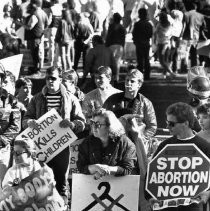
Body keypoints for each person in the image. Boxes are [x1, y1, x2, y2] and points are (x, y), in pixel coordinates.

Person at [22, 66, 86, 206]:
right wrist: (29, 122)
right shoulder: (37, 98)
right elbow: (25, 120)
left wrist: (72, 125)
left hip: (62, 147)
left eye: (54, 78)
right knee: (40, 182)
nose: (50, 81)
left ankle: (62, 207)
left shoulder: (70, 98)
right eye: (47, 78)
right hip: (41, 148)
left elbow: (82, 122)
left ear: (60, 79)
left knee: (61, 181)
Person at [146, 102, 210, 210]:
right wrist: (150, 197)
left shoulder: (204, 147)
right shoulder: (164, 146)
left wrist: (208, 193)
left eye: (171, 124)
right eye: (167, 122)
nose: (167, 126)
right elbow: (151, 175)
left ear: (185, 123)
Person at [77, 109, 138, 180]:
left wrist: (108, 169)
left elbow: (128, 169)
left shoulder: (126, 144)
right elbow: (81, 167)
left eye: (98, 125)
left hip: (119, 187)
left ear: (110, 126)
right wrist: (95, 167)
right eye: (92, 123)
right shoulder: (87, 142)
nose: (93, 127)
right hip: (91, 186)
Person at [103, 68, 157, 141]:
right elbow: (103, 118)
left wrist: (141, 139)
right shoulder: (113, 99)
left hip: (136, 141)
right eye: (127, 80)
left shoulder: (145, 102)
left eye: (132, 81)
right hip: (115, 139)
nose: (128, 83)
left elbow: (152, 126)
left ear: (139, 84)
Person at [23, 0, 49, 75]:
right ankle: (37, 69)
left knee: (33, 54)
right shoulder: (44, 13)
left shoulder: (35, 14)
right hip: (39, 36)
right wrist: (42, 32)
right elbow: (47, 25)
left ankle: (35, 70)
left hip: (33, 37)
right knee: (37, 53)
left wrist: (21, 24)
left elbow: (30, 27)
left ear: (35, 4)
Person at [132, 8, 153, 80]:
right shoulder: (149, 24)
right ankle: (147, 75)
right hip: (146, 43)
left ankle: (140, 75)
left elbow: (134, 34)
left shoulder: (137, 24)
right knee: (146, 60)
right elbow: (150, 34)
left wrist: (135, 41)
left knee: (140, 60)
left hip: (139, 43)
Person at [106, 12, 126, 82]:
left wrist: (106, 45)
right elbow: (123, 39)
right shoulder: (122, 28)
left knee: (110, 62)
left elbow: (108, 37)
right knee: (118, 63)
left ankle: (110, 77)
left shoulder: (111, 26)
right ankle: (116, 77)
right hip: (119, 46)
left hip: (111, 45)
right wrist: (123, 48)